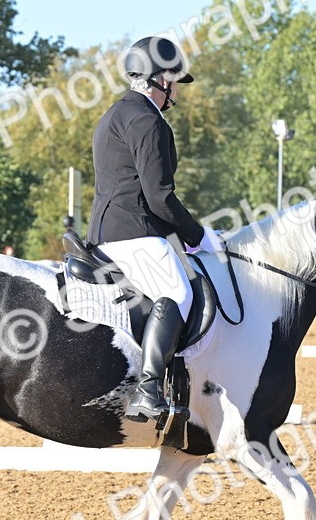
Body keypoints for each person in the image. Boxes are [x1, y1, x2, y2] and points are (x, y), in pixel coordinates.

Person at [88, 35, 218, 423]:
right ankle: (148, 390)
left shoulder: (115, 113)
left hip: (107, 228)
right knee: (176, 292)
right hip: (134, 232)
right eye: (174, 80)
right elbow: (160, 196)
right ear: (160, 79)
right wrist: (198, 236)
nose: (175, 89)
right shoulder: (147, 120)